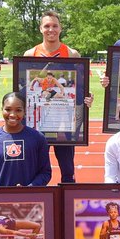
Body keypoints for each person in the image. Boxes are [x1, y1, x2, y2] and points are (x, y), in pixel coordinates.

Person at [25, 10, 94, 184]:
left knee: (67, 168)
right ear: (41, 28)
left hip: (62, 118)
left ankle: (67, 197)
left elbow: (82, 86)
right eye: (47, 26)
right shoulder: (30, 54)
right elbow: (25, 85)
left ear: (60, 28)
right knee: (36, 168)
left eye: (55, 26)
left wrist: (87, 97)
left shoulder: (72, 54)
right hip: (38, 120)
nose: (51, 29)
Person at [0, 92, 51, 187]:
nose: (12, 115)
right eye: (8, 109)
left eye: (18, 110)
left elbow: (45, 172)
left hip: (30, 199)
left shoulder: (38, 138)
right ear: (1, 109)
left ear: (25, 112)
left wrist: (30, 188)